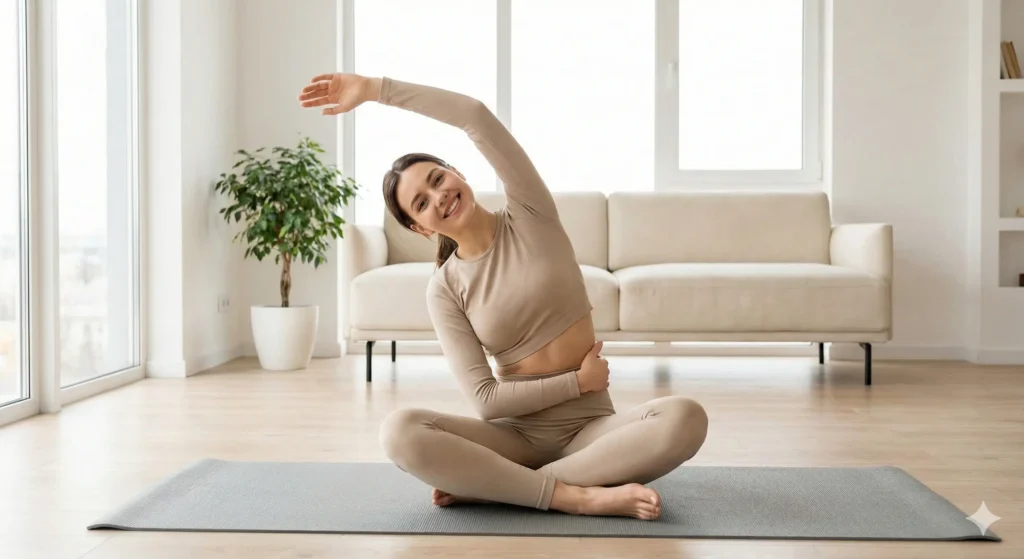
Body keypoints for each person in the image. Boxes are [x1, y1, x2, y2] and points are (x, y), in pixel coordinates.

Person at [298, 72, 709, 520]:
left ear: (458, 172)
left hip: (592, 428)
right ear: (421, 228)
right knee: (399, 431)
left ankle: (504, 487)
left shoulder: (531, 212)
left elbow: (475, 116)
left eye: (438, 179)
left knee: (685, 417)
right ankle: (575, 495)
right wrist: (577, 381)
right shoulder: (444, 287)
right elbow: (485, 400)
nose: (439, 196)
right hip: (514, 438)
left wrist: (378, 90)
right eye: (421, 203)